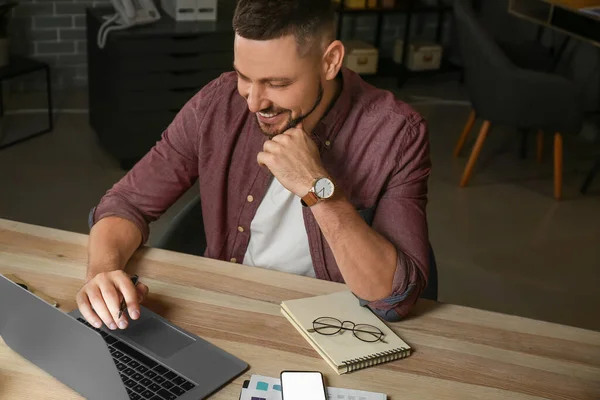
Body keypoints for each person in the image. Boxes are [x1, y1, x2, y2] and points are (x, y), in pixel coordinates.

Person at [76, 0, 431, 331]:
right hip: (232, 310)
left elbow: (393, 296)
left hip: (334, 325)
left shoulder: (396, 133)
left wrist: (317, 188)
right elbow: (127, 202)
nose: (254, 102)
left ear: (330, 61)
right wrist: (102, 273)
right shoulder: (219, 102)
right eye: (244, 76)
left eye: (277, 83)